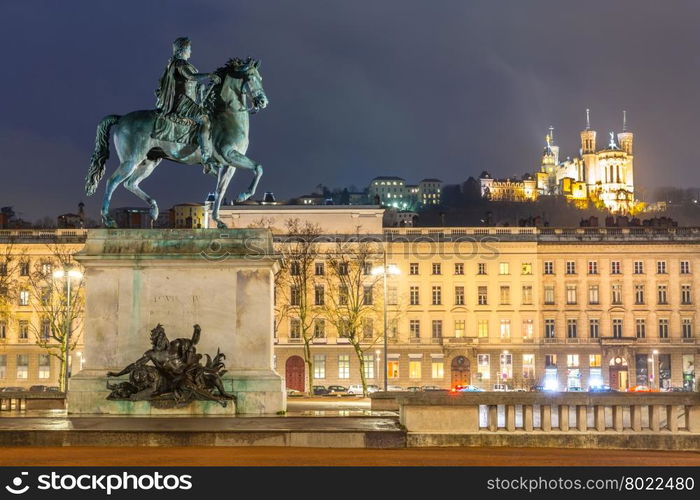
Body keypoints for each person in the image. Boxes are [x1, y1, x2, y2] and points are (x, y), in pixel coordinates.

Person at [155, 37, 221, 173]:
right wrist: (209, 75)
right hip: (183, 102)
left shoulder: (180, 63)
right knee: (205, 120)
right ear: (183, 50)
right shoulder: (179, 63)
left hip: (189, 100)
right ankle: (206, 156)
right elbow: (190, 77)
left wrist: (200, 91)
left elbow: (191, 83)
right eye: (189, 48)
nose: (191, 51)